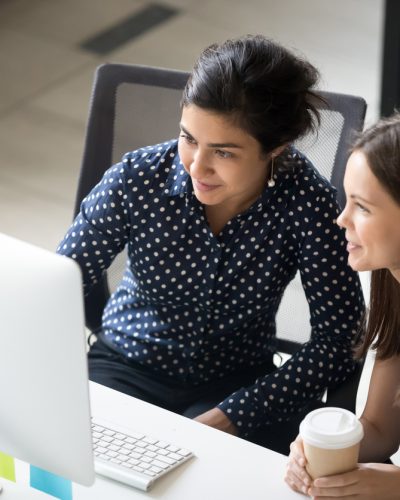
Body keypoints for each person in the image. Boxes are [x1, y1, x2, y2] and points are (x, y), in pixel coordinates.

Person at [57, 34, 364, 453]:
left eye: (223, 152)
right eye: (189, 138)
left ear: (276, 148)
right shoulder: (137, 178)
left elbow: (340, 339)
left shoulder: (306, 203)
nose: (196, 166)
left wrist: (238, 413)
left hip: (237, 384)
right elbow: (57, 287)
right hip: (126, 365)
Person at [285, 112, 400, 498]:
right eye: (346, 200)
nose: (340, 219)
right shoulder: (393, 286)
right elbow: (382, 431)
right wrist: (315, 452)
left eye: (362, 207)